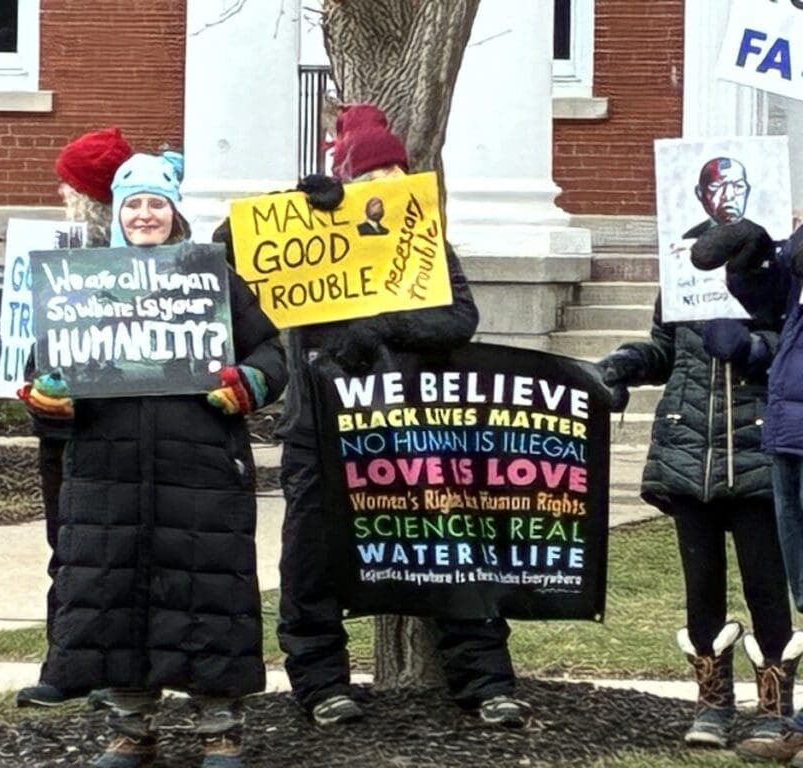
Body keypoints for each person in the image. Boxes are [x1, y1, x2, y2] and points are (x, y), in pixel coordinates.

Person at [276, 104, 530, 729]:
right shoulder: (307, 238)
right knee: (309, 558)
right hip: (322, 428)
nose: (384, 184)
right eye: (370, 174)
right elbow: (239, 256)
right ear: (347, 182)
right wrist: (307, 209)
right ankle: (320, 683)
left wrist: (386, 326)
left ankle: (485, 680)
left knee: (450, 550)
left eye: (394, 171)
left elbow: (458, 320)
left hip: (413, 425)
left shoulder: (425, 244)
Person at [38, 150, 287, 768]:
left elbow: (272, 352)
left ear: (174, 211)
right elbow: (44, 371)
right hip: (105, 469)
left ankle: (220, 729)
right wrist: (49, 400)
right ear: (117, 214)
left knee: (208, 592)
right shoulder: (82, 281)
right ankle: (131, 727)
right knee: (110, 590)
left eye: (156, 203)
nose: (146, 215)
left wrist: (249, 382)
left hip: (200, 463)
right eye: (134, 205)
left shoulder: (215, 277)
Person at [596, 221, 794, 747]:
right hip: (688, 457)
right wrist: (625, 363)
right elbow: (664, 351)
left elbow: (790, 347)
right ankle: (713, 704)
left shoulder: (779, 279)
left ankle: (776, 706)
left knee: (766, 589)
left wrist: (752, 347)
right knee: (700, 588)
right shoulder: (681, 281)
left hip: (753, 456)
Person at [0, 126, 134, 708]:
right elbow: (46, 353)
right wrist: (21, 354)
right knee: (68, 548)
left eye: (69, 187)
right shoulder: (57, 260)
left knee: (115, 550)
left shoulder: (144, 260)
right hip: (62, 428)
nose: (61, 197)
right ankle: (67, 665)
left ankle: (119, 674)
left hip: (122, 426)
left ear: (91, 198)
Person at [690, 220, 803, 764]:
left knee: (784, 585)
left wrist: (755, 349)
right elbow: (777, 306)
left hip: (776, 436)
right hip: (768, 436)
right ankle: (778, 719)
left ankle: (786, 713)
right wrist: (754, 261)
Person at [683, 157, 751, 238]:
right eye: (716, 186)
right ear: (700, 193)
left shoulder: (761, 239)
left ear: (747, 191)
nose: (728, 196)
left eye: (739, 186)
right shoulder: (691, 238)